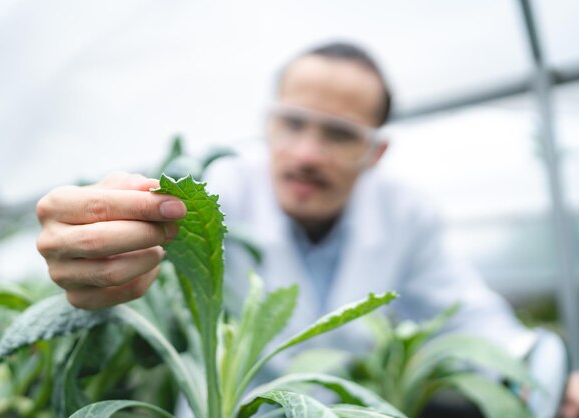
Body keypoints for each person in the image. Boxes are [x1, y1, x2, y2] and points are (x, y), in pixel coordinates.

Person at [35, 41, 579, 417]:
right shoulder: (214, 193)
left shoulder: (406, 214)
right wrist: (95, 249)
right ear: (268, 123)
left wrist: (548, 377)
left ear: (374, 151)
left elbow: (472, 322)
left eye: (339, 134)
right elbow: (133, 245)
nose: (306, 153)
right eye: (292, 122)